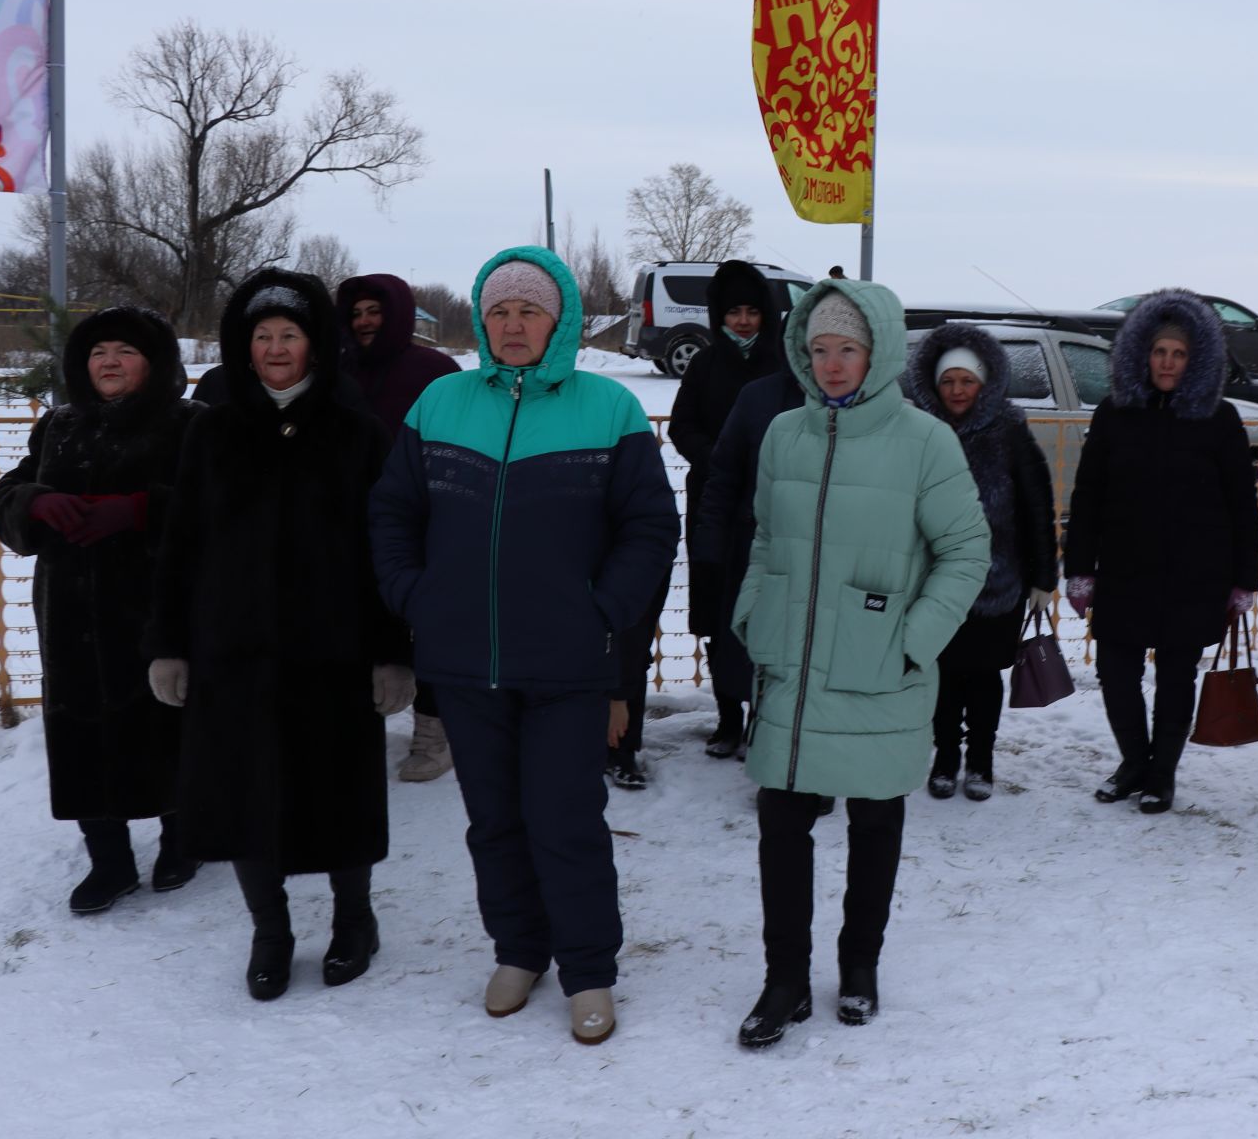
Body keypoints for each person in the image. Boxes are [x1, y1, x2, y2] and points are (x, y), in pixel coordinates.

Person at [368, 247, 677, 1046]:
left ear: (559, 322)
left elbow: (648, 529)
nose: (513, 324)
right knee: (493, 821)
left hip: (568, 665)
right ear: (482, 318)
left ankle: (589, 969)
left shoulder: (607, 408)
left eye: (528, 311)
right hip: (465, 661)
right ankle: (517, 950)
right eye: (500, 310)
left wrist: (599, 610)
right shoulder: (441, 402)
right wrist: (416, 595)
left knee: (566, 820)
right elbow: (392, 515)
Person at [731, 281, 989, 1049]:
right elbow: (767, 541)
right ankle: (784, 979)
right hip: (793, 670)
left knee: (875, 820)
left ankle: (860, 965)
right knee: (782, 823)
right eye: (819, 349)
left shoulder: (924, 440)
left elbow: (966, 550)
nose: (833, 364)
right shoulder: (784, 434)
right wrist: (754, 613)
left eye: (847, 349)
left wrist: (913, 640)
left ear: (876, 353)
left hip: (881, 671)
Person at [148, 270, 412, 1001]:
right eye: (261, 335)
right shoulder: (214, 430)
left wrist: (393, 652)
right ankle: (271, 930)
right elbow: (181, 544)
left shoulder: (357, 432)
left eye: (288, 334)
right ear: (243, 343)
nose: (274, 348)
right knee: (244, 793)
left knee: (339, 793)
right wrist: (170, 643)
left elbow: (385, 549)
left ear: (314, 344)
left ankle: (355, 922)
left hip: (335, 654)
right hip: (234, 654)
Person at [0, 307, 202, 913]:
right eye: (98, 351)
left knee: (166, 726)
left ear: (154, 363)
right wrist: (32, 504)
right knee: (82, 735)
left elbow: (219, 507)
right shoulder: (59, 425)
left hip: (158, 609)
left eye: (125, 351)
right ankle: (109, 862)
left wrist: (140, 511)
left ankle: (182, 841)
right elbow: (7, 491)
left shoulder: (190, 424)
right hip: (72, 615)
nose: (109, 361)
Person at [1062, 288, 1258, 814]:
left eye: (1178, 353)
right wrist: (1080, 568)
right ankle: (1135, 761)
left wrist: (1245, 578)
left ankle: (1162, 774)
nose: (1168, 362)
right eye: (1159, 352)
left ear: (1194, 359)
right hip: (1126, 571)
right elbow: (1087, 497)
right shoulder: (1114, 413)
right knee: (1115, 672)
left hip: (1195, 576)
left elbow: (1244, 503)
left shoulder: (1218, 420)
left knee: (1177, 675)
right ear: (1140, 355)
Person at [903, 323, 1058, 800]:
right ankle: (946, 756)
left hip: (997, 582)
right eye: (948, 381)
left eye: (966, 381)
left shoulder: (1009, 430)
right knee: (944, 676)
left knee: (984, 678)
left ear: (984, 383)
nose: (957, 390)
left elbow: (1036, 504)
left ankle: (981, 761)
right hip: (936, 583)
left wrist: (1043, 577)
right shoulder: (919, 431)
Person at [335, 272, 462, 783]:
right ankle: (354, 727)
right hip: (348, 522)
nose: (365, 322)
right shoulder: (336, 371)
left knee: (428, 626)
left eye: (375, 311)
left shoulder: (434, 370)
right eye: (357, 312)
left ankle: (434, 733)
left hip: (425, 520)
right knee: (358, 625)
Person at [668, 260, 787, 761]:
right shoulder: (706, 363)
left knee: (768, 613)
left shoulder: (784, 361)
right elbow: (681, 426)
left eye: (751, 311)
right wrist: (721, 457)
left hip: (772, 507)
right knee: (720, 614)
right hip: (714, 503)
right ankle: (728, 719)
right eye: (734, 311)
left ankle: (765, 716)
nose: (742, 321)